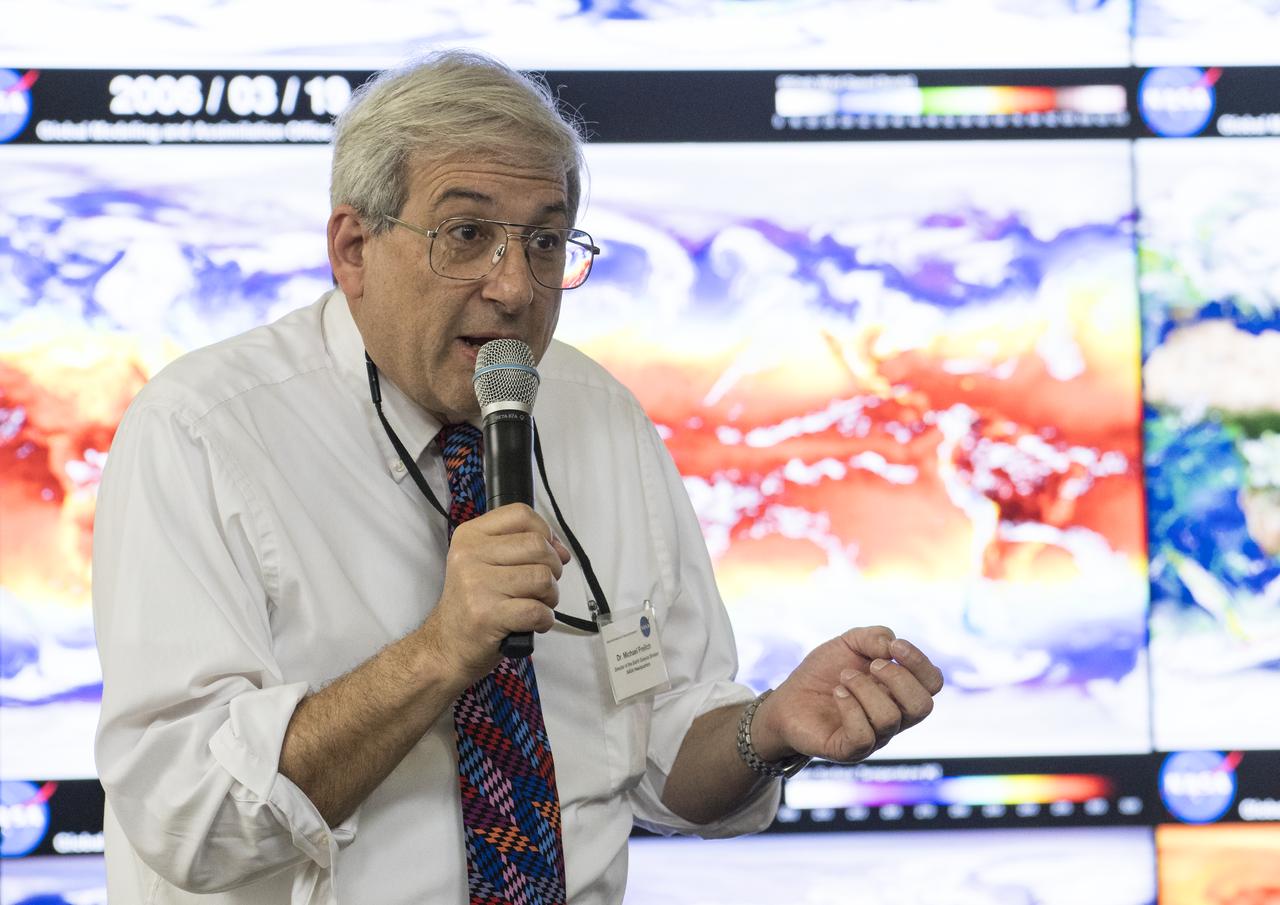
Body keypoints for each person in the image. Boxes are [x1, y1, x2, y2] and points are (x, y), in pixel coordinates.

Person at [92, 50, 944, 905]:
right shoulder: (203, 430)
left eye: (544, 241)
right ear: (354, 249)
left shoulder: (600, 416)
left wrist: (772, 729)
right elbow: (188, 818)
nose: (513, 286)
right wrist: (440, 650)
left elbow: (656, 750)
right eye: (466, 235)